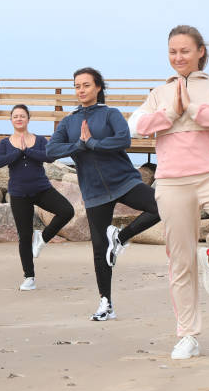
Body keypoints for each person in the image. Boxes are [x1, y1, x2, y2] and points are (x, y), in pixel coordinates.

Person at [129, 25, 209, 360]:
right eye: (172, 51)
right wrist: (171, 112)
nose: (178, 57)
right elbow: (135, 126)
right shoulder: (159, 92)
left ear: (200, 51)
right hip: (172, 182)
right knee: (180, 261)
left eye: (185, 51)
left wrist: (193, 109)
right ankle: (187, 335)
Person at [47, 67, 160, 321]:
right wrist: (79, 145)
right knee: (100, 250)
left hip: (123, 180)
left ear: (98, 87)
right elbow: (50, 151)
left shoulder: (111, 114)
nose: (81, 90)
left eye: (86, 85)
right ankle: (106, 304)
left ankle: (121, 237)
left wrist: (93, 143)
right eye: (77, 86)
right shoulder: (69, 121)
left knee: (161, 207)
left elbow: (123, 140)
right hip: (94, 190)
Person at [0, 104, 75, 291]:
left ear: (28, 119)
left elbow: (49, 157)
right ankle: (29, 277)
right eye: (15, 116)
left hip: (41, 189)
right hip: (19, 194)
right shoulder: (5, 143)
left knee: (67, 211)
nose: (19, 119)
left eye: (22, 116)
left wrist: (27, 151)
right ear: (11, 120)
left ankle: (43, 237)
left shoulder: (39, 140)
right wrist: (18, 152)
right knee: (24, 236)